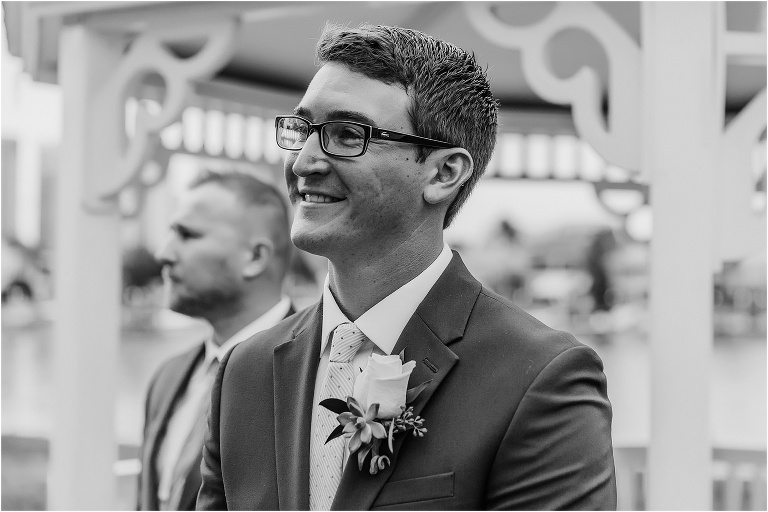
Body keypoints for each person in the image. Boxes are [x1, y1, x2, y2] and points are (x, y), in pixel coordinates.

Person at [198, 24, 616, 510]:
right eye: (303, 130)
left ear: (443, 174)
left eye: (347, 134)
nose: (303, 162)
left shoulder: (542, 377)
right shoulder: (243, 371)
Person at [138, 171, 296, 510]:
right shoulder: (167, 377)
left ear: (255, 257)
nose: (163, 253)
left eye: (187, 235)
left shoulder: (311, 372)